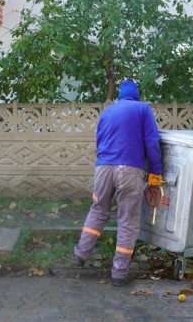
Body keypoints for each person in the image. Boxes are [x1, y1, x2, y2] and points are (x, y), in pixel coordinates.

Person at [72, 79, 163, 287]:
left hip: (103, 167)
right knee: (128, 220)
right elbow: (152, 141)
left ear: (120, 96)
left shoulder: (106, 112)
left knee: (98, 211)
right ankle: (119, 273)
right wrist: (155, 172)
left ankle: (81, 253)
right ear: (136, 95)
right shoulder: (143, 109)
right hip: (130, 170)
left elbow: (99, 141)